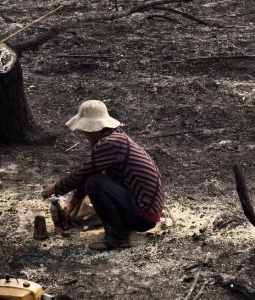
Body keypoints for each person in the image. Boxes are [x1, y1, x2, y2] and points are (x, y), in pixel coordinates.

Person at [42, 100, 164, 251]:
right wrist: (76, 197)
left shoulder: (110, 144)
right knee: (94, 179)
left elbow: (85, 172)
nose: (84, 134)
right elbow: (92, 169)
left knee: (94, 183)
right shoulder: (115, 137)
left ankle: (117, 238)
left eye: (85, 130)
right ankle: (120, 228)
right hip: (145, 210)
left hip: (143, 215)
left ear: (92, 128)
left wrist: (56, 187)